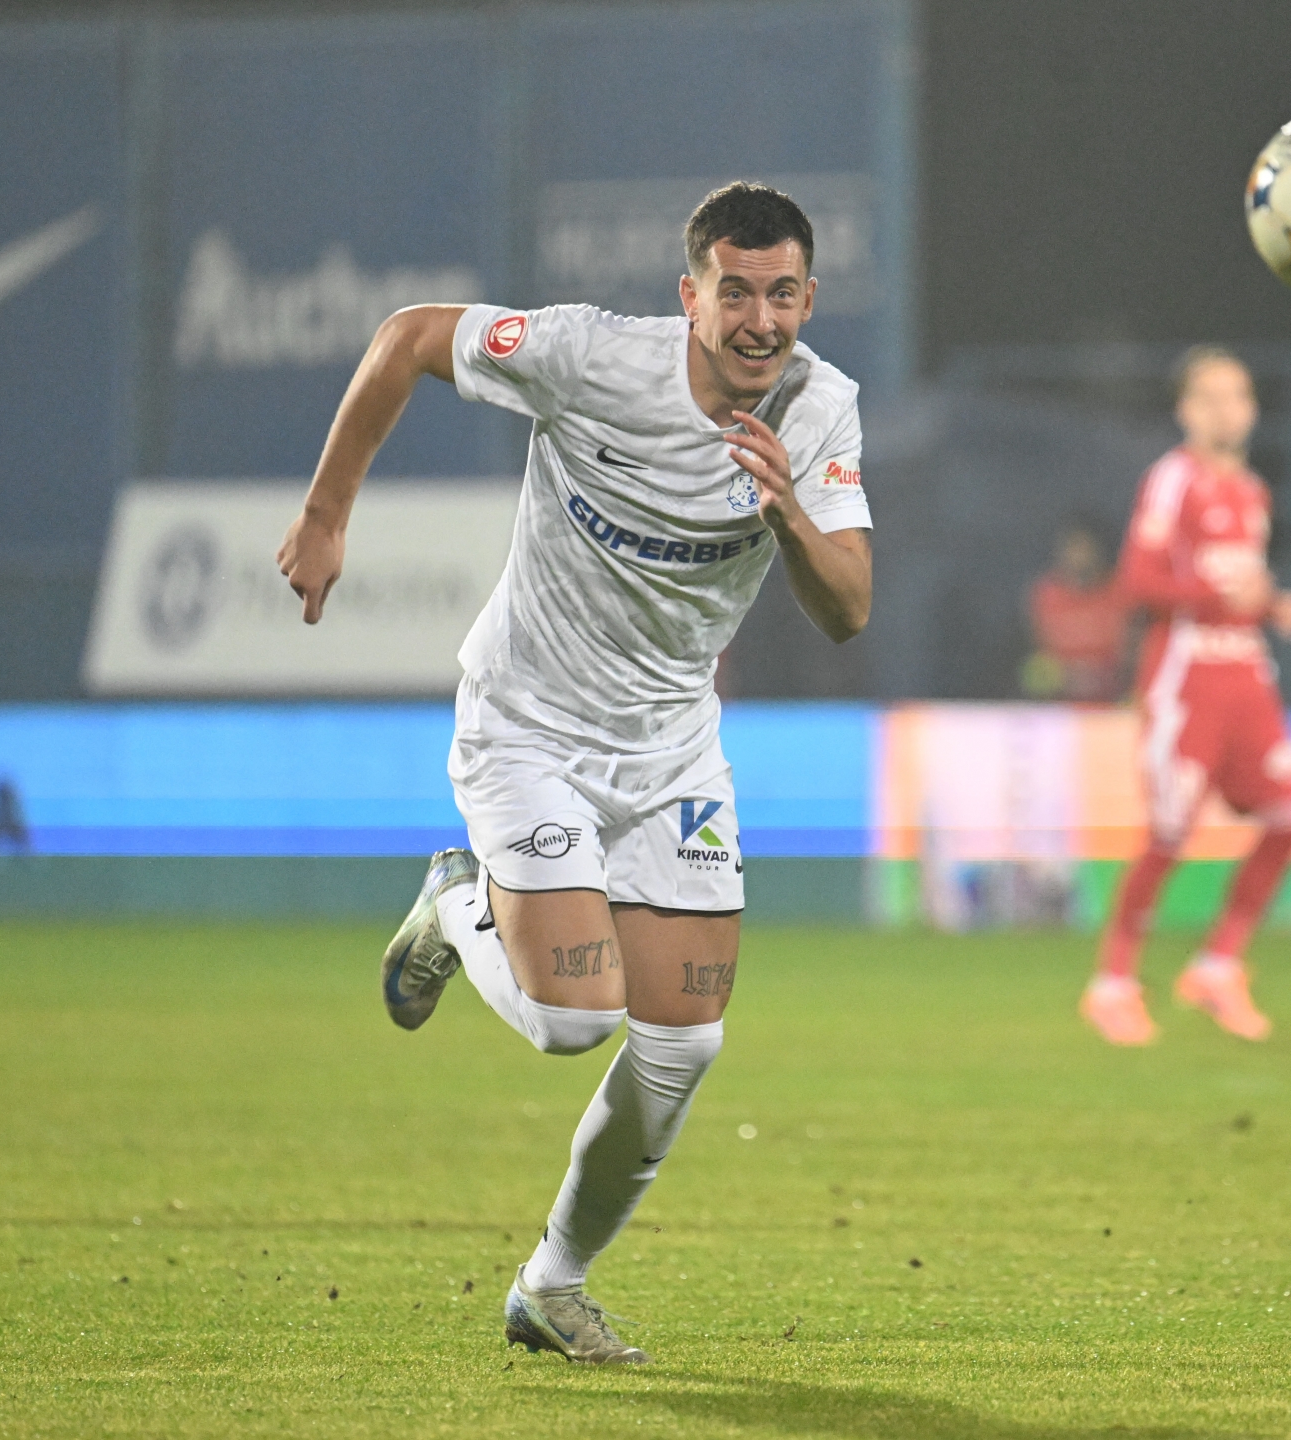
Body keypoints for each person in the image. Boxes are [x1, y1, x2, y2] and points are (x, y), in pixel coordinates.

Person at [276, 183, 871, 1363]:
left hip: (671, 752)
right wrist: (327, 513)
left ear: (810, 298)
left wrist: (790, 516)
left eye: (782, 294)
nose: (760, 320)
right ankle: (459, 898)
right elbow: (406, 336)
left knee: (683, 1046)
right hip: (529, 725)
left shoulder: (822, 409)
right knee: (572, 1018)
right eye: (736, 293)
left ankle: (552, 1285)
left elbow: (848, 608)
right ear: (690, 296)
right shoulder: (591, 357)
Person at [1079, 346, 1291, 1047]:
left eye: (1236, 396)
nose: (1224, 410)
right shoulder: (1172, 480)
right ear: (1185, 410)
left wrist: (1271, 606)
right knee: (1171, 832)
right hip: (1187, 678)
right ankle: (1112, 984)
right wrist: (1218, 596)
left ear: (1253, 409)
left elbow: (1240, 588)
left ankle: (1217, 966)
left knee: (1288, 816)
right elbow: (1137, 581)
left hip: (1247, 675)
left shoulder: (1253, 492)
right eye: (1209, 397)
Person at [1021, 518, 1128, 701]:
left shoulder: (1121, 592)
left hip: (1113, 702)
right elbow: (1033, 656)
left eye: (1085, 548)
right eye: (1073, 548)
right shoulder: (1044, 597)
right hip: (1058, 705)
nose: (1079, 556)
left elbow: (1134, 653)